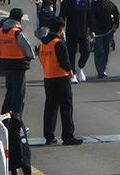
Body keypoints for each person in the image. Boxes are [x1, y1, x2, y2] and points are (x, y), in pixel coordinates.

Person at [38, 17, 82, 146]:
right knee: (66, 108)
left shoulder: (43, 43)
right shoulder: (58, 43)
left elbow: (41, 59)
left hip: (48, 77)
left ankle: (49, 136)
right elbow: (64, 61)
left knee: (50, 108)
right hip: (61, 78)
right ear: (61, 28)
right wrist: (70, 71)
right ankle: (68, 136)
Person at [0, 8, 34, 116]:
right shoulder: (16, 32)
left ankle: (4, 118)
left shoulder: (1, 31)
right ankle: (16, 121)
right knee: (19, 94)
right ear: (20, 19)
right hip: (19, 65)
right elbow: (28, 49)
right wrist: (30, 57)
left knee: (10, 93)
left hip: (6, 64)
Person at [59, 0, 92, 83]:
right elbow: (62, 17)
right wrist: (60, 29)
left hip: (83, 32)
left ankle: (80, 68)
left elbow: (90, 17)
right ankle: (72, 74)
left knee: (86, 51)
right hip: (71, 31)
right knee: (71, 53)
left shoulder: (86, 1)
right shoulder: (66, 2)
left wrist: (92, 30)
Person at [90, 0, 119, 78]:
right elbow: (89, 17)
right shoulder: (93, 5)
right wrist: (90, 29)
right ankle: (99, 69)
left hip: (108, 31)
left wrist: (115, 25)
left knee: (106, 51)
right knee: (99, 51)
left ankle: (104, 69)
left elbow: (116, 15)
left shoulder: (110, 4)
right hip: (96, 32)